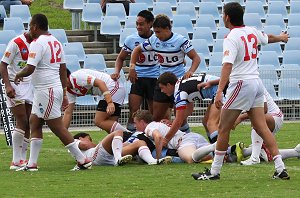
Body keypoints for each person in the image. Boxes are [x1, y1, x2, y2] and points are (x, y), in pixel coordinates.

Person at [192, 2, 290, 180]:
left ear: (227, 17)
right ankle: (280, 168)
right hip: (256, 83)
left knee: (223, 127)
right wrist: (281, 37)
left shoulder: (231, 37)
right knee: (262, 128)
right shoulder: (251, 30)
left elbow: (227, 65)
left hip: (240, 84)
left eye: (223, 14)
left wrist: (220, 90)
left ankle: (214, 172)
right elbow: (266, 37)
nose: (222, 17)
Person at [14, 14, 92, 171]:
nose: (29, 30)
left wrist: (18, 74)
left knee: (56, 127)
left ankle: (82, 159)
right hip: (50, 89)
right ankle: (32, 164)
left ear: (35, 26)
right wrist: (63, 92)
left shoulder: (37, 43)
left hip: (46, 90)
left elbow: (30, 68)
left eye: (30, 26)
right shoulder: (56, 41)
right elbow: (63, 69)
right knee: (34, 122)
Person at [129, 14, 201, 130]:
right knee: (156, 117)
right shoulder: (154, 40)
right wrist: (132, 68)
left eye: (158, 32)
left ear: (167, 29)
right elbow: (137, 50)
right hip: (162, 82)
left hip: (178, 83)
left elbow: (196, 58)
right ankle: (156, 142)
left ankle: (185, 139)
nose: (156, 35)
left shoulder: (180, 41)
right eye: (155, 32)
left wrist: (191, 71)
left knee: (180, 119)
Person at [111, 10, 158, 131]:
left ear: (150, 23)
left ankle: (151, 134)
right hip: (137, 77)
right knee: (134, 110)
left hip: (155, 78)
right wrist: (117, 71)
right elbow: (120, 58)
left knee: (155, 112)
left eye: (141, 24)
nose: (138, 27)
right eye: (137, 24)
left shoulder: (158, 38)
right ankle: (131, 135)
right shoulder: (131, 39)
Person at [157, 72, 228, 149]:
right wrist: (173, 122)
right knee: (205, 121)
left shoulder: (179, 93)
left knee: (211, 123)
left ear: (168, 85)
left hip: (221, 89)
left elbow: (179, 121)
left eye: (162, 88)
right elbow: (189, 109)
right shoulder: (181, 83)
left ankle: (224, 152)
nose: (161, 91)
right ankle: (217, 149)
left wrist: (166, 140)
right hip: (221, 88)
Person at [0, 32, 33, 169]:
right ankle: (15, 160)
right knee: (22, 120)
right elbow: (3, 64)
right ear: (33, 28)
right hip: (15, 85)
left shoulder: (38, 43)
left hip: (30, 85)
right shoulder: (16, 43)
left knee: (29, 122)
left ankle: (22, 159)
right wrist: (8, 85)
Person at [133, 110, 213, 163]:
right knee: (218, 153)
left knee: (190, 159)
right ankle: (214, 148)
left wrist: (157, 158)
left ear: (142, 122)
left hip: (184, 141)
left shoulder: (148, 128)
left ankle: (208, 153)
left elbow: (158, 137)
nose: (134, 126)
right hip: (193, 136)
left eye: (135, 123)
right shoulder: (157, 124)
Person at [63, 68, 127, 133]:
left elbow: (100, 83)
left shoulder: (77, 77)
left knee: (99, 121)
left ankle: (130, 135)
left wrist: (110, 102)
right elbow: (68, 113)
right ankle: (130, 139)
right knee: (111, 129)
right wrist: (64, 135)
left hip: (112, 87)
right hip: (108, 92)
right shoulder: (68, 90)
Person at [73, 130, 172, 166]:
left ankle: (152, 161)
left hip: (106, 158)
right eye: (89, 139)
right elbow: (86, 145)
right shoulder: (74, 142)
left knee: (140, 142)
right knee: (118, 132)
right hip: (95, 156)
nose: (91, 141)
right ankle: (118, 159)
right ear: (81, 138)